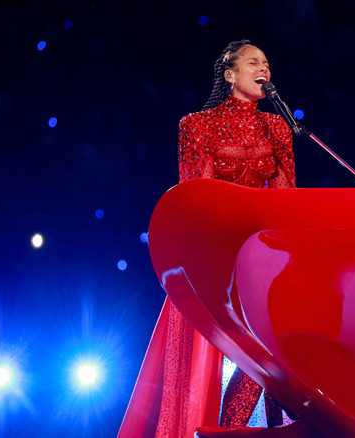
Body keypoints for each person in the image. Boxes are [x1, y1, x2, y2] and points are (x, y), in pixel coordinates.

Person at [119, 40, 295, 438]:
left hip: (259, 258)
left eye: (267, 62)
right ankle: (204, 429)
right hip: (212, 259)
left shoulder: (279, 126)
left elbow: (286, 201)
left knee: (268, 355)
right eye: (253, 62)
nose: (263, 68)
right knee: (219, 355)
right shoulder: (197, 126)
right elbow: (197, 198)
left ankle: (227, 431)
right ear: (230, 74)